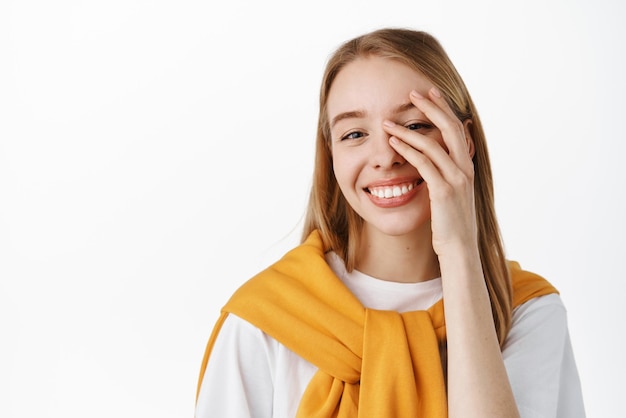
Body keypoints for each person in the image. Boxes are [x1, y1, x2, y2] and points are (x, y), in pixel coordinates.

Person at [194, 28, 585, 418]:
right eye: (354, 134)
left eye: (414, 127)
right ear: (331, 156)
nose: (384, 156)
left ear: (463, 142)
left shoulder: (528, 311)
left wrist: (459, 251)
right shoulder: (264, 322)